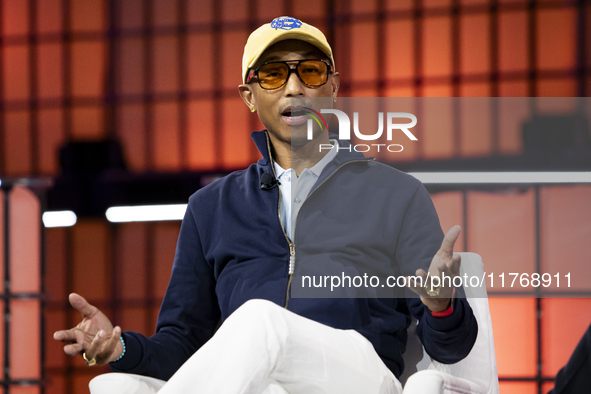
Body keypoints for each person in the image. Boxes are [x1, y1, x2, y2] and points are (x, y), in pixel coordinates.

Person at [53, 16, 477, 394]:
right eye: (274, 75)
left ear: (333, 87)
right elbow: (182, 344)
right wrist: (121, 347)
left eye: (310, 72)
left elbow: (452, 346)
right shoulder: (210, 207)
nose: (294, 87)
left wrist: (441, 306)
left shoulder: (396, 194)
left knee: (260, 321)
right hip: (261, 379)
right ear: (249, 96)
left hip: (358, 376)